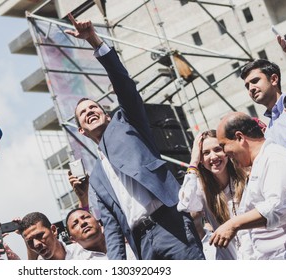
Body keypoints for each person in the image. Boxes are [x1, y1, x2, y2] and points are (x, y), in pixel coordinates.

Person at [65, 14, 204, 260]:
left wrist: (95, 42)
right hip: (142, 244)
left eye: (94, 107)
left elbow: (124, 85)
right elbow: (112, 227)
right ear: (82, 131)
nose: (90, 112)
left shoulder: (128, 125)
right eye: (83, 113)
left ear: (107, 116)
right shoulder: (96, 176)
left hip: (171, 225)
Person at [210, 112, 286, 259]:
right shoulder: (260, 162)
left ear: (239, 137)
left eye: (223, 145)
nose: (225, 154)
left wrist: (233, 224)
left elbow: (277, 208)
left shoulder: (274, 159)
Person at [177, 130, 247, 259]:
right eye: (206, 153)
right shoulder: (201, 188)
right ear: (201, 160)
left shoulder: (245, 178)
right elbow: (184, 204)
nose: (213, 156)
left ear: (226, 152)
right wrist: (193, 162)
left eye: (217, 149)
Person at [240, 58, 286, 148]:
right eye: (247, 86)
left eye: (255, 81)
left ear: (274, 79)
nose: (251, 88)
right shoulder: (267, 131)